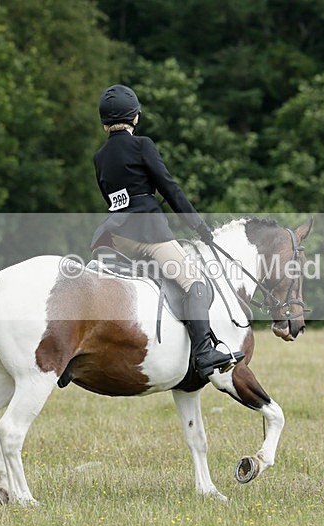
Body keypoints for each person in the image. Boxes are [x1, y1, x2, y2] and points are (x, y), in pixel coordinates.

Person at [90, 84, 243, 379]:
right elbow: (169, 188)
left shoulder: (99, 157)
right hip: (148, 236)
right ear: (135, 116)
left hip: (114, 237)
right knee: (195, 282)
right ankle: (204, 351)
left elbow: (110, 197)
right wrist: (199, 225)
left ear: (105, 122)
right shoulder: (142, 145)